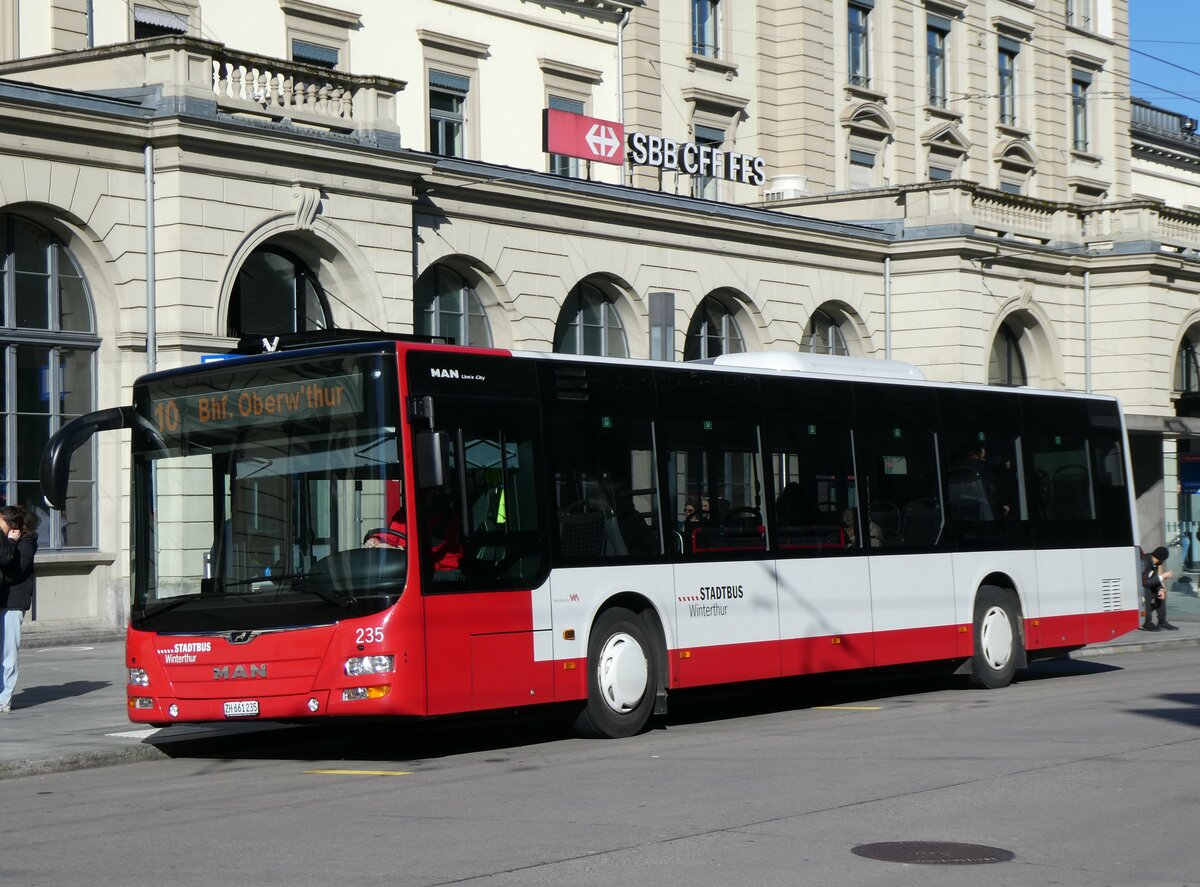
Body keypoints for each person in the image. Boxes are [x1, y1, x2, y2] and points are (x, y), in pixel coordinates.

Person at [0, 505, 38, 713]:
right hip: (2, 600)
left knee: (8, 653)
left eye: (1, 522)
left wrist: (11, 543)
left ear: (13, 526)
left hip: (13, 602)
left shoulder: (25, 544)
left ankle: (4, 699)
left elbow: (15, 571)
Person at [1140, 545, 1178, 631]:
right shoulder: (1145, 562)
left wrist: (1160, 589)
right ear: (1161, 559)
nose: (1163, 562)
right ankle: (1147, 623)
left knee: (1161, 592)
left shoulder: (1154, 563)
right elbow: (1144, 582)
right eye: (1164, 560)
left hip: (1147, 586)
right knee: (1147, 591)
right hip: (1140, 589)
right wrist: (1163, 576)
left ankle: (1162, 621)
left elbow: (1154, 578)